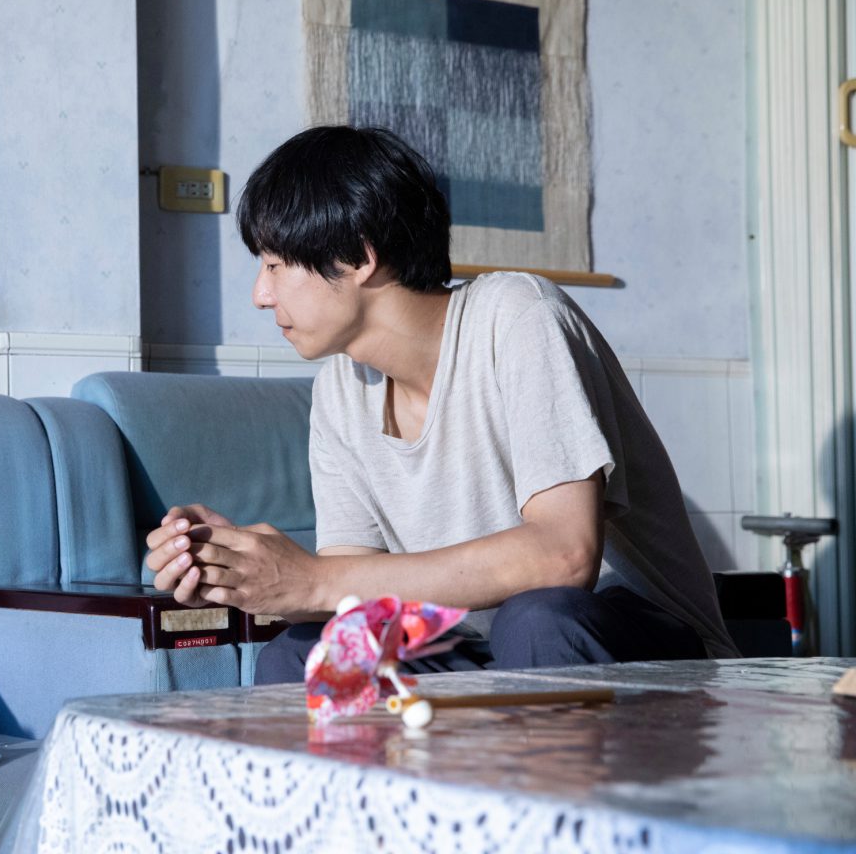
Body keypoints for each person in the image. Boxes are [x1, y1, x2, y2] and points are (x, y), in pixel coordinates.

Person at [144, 126, 739, 683]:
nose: (260, 294)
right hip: (473, 644)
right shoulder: (339, 391)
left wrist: (316, 579)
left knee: (538, 620)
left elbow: (565, 556)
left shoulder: (517, 316)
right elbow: (349, 587)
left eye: (275, 265)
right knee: (310, 655)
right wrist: (238, 571)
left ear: (359, 257)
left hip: (633, 640)